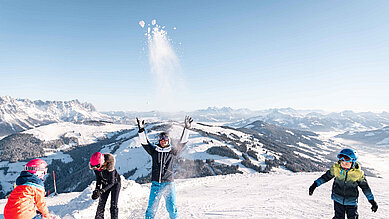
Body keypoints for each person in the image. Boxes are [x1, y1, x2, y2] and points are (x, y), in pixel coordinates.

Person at [137, 116, 193, 219]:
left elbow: (182, 142)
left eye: (165, 139)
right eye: (161, 139)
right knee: (151, 209)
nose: (163, 141)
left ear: (168, 141)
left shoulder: (172, 152)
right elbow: (145, 143)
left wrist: (187, 128)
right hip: (155, 184)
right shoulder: (154, 151)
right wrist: (141, 130)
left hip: (168, 184)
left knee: (172, 208)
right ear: (158, 141)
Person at [309, 148, 378, 219]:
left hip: (351, 201)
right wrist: (315, 185)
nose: (344, 165)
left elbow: (365, 188)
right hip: (337, 199)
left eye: (347, 163)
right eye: (342, 163)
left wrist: (372, 201)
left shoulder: (358, 174)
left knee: (353, 217)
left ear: (353, 163)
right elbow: (325, 177)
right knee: (338, 217)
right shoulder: (336, 169)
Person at [89, 152, 121, 219]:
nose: (96, 168)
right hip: (105, 183)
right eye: (93, 167)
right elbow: (98, 179)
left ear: (102, 163)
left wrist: (101, 191)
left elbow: (111, 183)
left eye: (97, 166)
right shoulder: (96, 168)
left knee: (113, 205)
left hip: (115, 184)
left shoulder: (109, 167)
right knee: (101, 204)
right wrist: (97, 189)